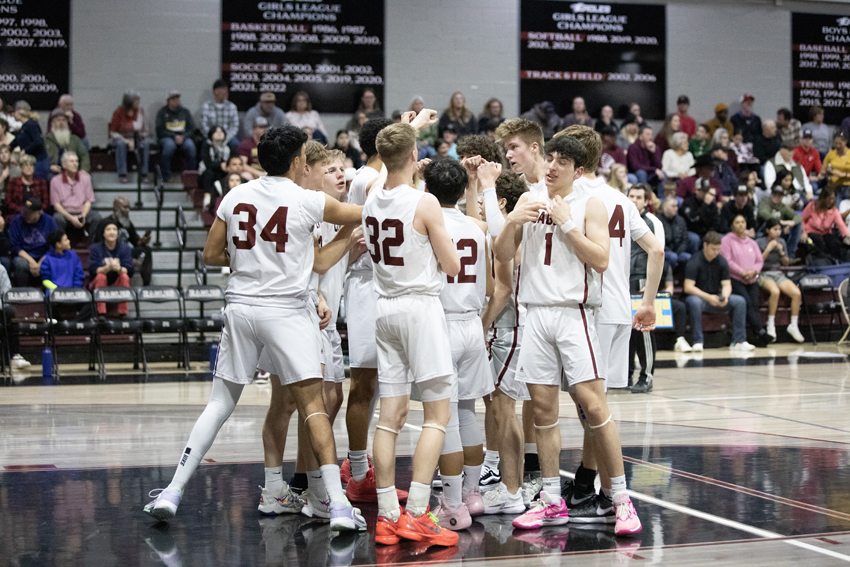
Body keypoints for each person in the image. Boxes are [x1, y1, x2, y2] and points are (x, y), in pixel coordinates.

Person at [144, 125, 366, 530]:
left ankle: (174, 490)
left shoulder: (235, 195)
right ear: (298, 161)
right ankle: (336, 505)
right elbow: (364, 213)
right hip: (285, 311)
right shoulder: (307, 200)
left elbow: (212, 254)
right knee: (313, 407)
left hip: (242, 309)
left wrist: (254, 255)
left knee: (219, 404)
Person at [492, 134, 642, 536]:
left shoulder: (590, 204)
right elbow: (503, 255)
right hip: (535, 315)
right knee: (542, 411)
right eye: (551, 158)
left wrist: (568, 226)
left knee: (595, 408)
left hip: (576, 315)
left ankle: (621, 500)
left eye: (563, 161)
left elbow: (602, 259)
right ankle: (552, 501)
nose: (553, 166)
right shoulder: (527, 199)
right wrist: (511, 222)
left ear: (578, 171)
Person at [363, 115, 462, 547]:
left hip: (383, 309)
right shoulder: (425, 204)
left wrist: (410, 129)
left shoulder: (369, 196)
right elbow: (453, 265)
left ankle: (387, 515)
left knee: (389, 419)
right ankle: (418, 512)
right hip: (420, 308)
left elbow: (392, 164)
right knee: (437, 416)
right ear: (413, 157)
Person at [555, 126, 663, 513]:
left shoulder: (576, 196)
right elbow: (655, 249)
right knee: (595, 409)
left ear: (574, 160)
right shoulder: (620, 198)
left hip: (594, 309)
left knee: (591, 410)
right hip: (620, 310)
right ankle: (590, 485)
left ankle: (597, 488)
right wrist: (647, 303)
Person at [423, 159, 491, 530]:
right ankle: (472, 494)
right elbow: (492, 285)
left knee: (442, 416)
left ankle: (451, 504)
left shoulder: (426, 222)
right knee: (468, 411)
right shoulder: (478, 230)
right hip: (472, 323)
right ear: (463, 192)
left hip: (441, 322)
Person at [340, 117, 396, 504]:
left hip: (384, 286)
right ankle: (358, 474)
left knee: (377, 383)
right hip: (364, 285)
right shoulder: (367, 179)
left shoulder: (374, 176)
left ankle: (356, 464)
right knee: (362, 384)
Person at [684, 231, 753, 351]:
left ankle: (739, 341)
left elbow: (727, 284)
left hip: (716, 297)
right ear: (705, 245)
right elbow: (688, 287)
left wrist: (725, 297)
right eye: (713, 249)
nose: (716, 252)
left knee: (740, 301)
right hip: (700, 298)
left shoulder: (721, 261)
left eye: (718, 249)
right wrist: (708, 297)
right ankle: (698, 341)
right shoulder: (694, 261)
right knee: (694, 302)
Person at [626, 185, 660, 392]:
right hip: (623, 280)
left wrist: (652, 286)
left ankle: (646, 377)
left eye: (639, 197)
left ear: (646, 201)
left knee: (643, 331)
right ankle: (625, 375)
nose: (634, 200)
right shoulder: (622, 219)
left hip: (642, 280)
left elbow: (659, 251)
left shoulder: (653, 222)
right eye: (631, 196)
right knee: (626, 331)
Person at [721, 215, 769, 346]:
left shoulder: (752, 242)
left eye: (743, 222)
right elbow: (727, 261)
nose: (741, 225)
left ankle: (758, 336)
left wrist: (753, 271)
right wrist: (742, 272)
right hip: (735, 279)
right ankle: (760, 331)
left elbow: (759, 260)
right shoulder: (726, 240)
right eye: (737, 222)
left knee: (754, 305)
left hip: (752, 278)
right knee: (746, 303)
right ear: (732, 225)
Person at [757, 218, 805, 342]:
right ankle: (771, 324)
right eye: (775, 229)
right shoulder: (759, 242)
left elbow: (786, 263)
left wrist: (782, 253)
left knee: (796, 293)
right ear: (767, 230)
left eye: (779, 229)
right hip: (764, 273)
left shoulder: (782, 242)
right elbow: (757, 263)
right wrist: (768, 249)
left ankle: (793, 325)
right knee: (775, 291)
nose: (778, 232)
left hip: (778, 273)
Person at [94, 197, 153, 286]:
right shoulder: (105, 223)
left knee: (146, 250)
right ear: (117, 208)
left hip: (125, 252)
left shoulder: (127, 223)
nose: (128, 210)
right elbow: (99, 244)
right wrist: (126, 259)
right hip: (109, 254)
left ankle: (146, 285)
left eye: (129, 207)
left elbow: (136, 242)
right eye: (125, 207)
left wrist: (143, 241)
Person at [50, 153, 101, 237]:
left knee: (97, 218)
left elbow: (88, 201)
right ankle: (61, 247)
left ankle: (94, 247)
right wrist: (71, 218)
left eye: (76, 161)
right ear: (64, 165)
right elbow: (56, 205)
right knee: (57, 218)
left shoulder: (86, 178)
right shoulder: (55, 181)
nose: (75, 164)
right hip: (65, 212)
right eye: (71, 161)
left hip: (82, 211)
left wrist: (83, 216)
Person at [89, 220, 133, 315]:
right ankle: (101, 312)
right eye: (108, 229)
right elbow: (94, 270)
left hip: (116, 281)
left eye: (114, 229)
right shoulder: (95, 248)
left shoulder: (125, 248)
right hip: (98, 283)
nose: (112, 232)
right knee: (101, 276)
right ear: (103, 233)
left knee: (124, 276)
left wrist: (119, 268)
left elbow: (129, 270)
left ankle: (123, 313)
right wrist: (108, 267)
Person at [9, 197, 54, 286]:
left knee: (53, 261)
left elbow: (53, 246)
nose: (26, 214)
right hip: (24, 256)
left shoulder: (49, 221)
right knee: (20, 263)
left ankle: (50, 294)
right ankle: (22, 294)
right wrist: (32, 262)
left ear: (39, 213)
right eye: (25, 211)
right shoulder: (16, 221)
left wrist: (40, 262)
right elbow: (15, 247)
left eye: (30, 213)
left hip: (43, 255)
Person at [155, 91, 197, 182]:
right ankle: (166, 176)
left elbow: (192, 129)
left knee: (190, 146)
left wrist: (183, 137)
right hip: (167, 138)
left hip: (183, 138)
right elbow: (160, 130)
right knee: (169, 146)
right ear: (168, 101)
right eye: (173, 99)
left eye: (177, 98)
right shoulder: (162, 113)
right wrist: (174, 137)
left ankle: (190, 176)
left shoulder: (185, 112)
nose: (176, 100)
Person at [109, 91, 150, 184]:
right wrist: (128, 141)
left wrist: (138, 138)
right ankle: (122, 174)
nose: (138, 103)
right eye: (135, 101)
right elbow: (113, 132)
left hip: (137, 138)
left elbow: (145, 130)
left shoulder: (141, 112)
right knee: (120, 144)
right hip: (120, 138)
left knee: (145, 145)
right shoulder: (118, 112)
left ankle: (144, 175)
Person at [802, 186, 850, 263]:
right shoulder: (812, 206)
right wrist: (804, 232)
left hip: (825, 233)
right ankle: (820, 262)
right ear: (824, 198)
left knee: (835, 243)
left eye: (833, 199)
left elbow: (841, 224)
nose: (832, 201)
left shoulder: (834, 211)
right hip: (810, 232)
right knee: (820, 243)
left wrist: (847, 235)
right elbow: (802, 219)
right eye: (830, 198)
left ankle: (835, 262)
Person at [757, 183, 803, 257]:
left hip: (779, 231)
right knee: (770, 224)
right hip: (764, 232)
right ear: (771, 194)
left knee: (798, 226)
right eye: (775, 195)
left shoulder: (782, 206)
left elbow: (798, 216)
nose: (777, 197)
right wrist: (781, 222)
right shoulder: (765, 202)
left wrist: (792, 223)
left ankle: (790, 255)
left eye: (780, 195)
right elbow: (763, 213)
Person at [9, 101, 49, 180]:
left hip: (38, 162)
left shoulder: (32, 125)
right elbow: (16, 141)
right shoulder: (24, 127)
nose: (13, 114)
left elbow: (38, 141)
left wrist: (25, 150)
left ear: (19, 112)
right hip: (30, 162)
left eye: (14, 112)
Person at [45, 109, 90, 176]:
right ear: (53, 123)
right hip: (52, 172)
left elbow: (84, 156)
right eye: (58, 120)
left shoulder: (74, 139)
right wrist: (49, 167)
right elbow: (40, 157)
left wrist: (84, 169)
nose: (61, 123)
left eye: (64, 120)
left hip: (72, 172)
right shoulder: (46, 139)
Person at [200, 79, 240, 154]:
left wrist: (225, 138)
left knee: (235, 143)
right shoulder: (207, 106)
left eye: (225, 90)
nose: (224, 92)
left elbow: (235, 126)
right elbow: (203, 125)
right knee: (204, 144)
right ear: (215, 91)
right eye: (222, 90)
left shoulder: (232, 106)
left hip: (228, 137)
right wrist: (213, 137)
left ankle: (233, 164)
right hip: (211, 137)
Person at [4, 154, 47, 221]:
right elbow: (8, 202)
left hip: (37, 214)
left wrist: (36, 211)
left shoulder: (41, 182)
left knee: (48, 219)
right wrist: (23, 211)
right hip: (17, 214)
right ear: (21, 167)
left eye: (31, 165)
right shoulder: (13, 182)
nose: (28, 167)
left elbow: (45, 202)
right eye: (26, 165)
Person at [657, 196, 695, 269]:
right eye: (673, 206)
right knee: (672, 257)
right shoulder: (658, 221)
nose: (676, 208)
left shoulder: (681, 220)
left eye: (677, 206)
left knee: (689, 257)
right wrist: (671, 252)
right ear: (665, 207)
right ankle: (669, 277)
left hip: (678, 252)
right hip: (664, 252)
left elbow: (685, 239)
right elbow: (658, 242)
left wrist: (679, 251)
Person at [198, 125, 231, 204]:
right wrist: (220, 166)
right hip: (205, 174)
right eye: (216, 132)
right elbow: (207, 163)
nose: (219, 134)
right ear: (211, 134)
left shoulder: (227, 147)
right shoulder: (206, 146)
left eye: (221, 132)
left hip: (220, 173)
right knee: (209, 173)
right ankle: (207, 197)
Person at [680, 178, 720, 244]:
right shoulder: (688, 202)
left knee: (716, 237)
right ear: (697, 190)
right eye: (704, 191)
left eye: (707, 191)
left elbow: (716, 223)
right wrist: (705, 205)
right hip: (692, 232)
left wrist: (710, 233)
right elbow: (692, 219)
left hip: (706, 232)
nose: (706, 194)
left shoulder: (712, 205)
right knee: (695, 239)